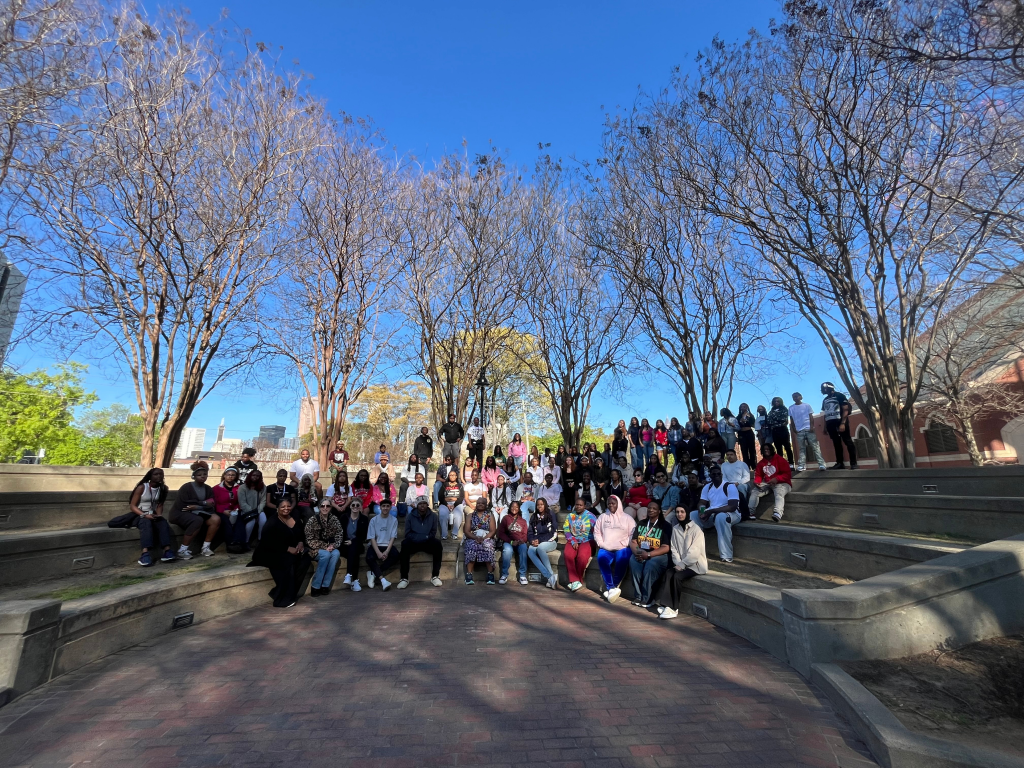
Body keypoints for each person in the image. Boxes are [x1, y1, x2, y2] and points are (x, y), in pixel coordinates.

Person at [247, 498, 308, 608]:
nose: (286, 509)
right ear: (277, 508)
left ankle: (281, 592)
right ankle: (282, 600)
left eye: (288, 506)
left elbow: (300, 534)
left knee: (305, 559)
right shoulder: (272, 522)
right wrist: (287, 548)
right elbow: (267, 542)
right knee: (289, 562)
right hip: (268, 552)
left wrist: (300, 542)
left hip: (289, 550)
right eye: (283, 507)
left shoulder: (295, 518)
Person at [653, 505, 708, 620]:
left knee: (677, 577)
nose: (679, 514)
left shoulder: (696, 530)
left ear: (687, 513)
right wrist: (678, 563)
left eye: (682, 512)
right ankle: (666, 605)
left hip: (695, 565)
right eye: (677, 512)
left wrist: (682, 565)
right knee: (669, 573)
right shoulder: (676, 528)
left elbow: (695, 552)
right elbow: (674, 549)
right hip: (681, 563)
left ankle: (674, 608)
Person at [691, 464, 741, 563]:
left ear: (721, 474)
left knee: (721, 517)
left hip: (732, 514)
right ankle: (696, 551)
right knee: (693, 515)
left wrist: (710, 511)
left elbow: (732, 506)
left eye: (718, 473)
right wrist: (702, 512)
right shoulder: (707, 487)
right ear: (710, 476)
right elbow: (702, 502)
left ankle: (726, 555)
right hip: (713, 513)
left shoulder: (729, 486)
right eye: (714, 474)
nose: (716, 475)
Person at [169, 461, 219, 559]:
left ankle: (205, 548)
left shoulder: (208, 489)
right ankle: (182, 550)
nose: (202, 476)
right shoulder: (187, 487)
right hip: (180, 513)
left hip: (199, 512)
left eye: (205, 474)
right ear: (194, 476)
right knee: (197, 520)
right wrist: (203, 503)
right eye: (199, 475)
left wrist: (198, 506)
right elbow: (183, 504)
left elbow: (211, 504)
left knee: (216, 519)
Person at [629, 500, 673, 608]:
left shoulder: (666, 526)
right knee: (633, 561)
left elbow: (666, 547)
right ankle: (638, 596)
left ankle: (648, 598)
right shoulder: (641, 523)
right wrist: (638, 553)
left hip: (659, 556)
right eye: (649, 508)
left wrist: (648, 555)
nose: (651, 510)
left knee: (650, 565)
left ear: (659, 511)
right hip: (641, 552)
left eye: (654, 508)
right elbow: (633, 541)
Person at [593, 495, 636, 603]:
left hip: (622, 547)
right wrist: (601, 543)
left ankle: (614, 586)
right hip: (606, 547)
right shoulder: (602, 517)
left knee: (622, 560)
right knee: (601, 558)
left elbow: (633, 534)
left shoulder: (628, 518)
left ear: (618, 504)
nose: (611, 505)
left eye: (613, 503)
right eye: (609, 503)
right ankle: (611, 588)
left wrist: (625, 543)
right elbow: (597, 532)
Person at [129, 469, 175, 566]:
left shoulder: (163, 488)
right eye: (156, 474)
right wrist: (144, 515)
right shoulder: (142, 487)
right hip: (139, 514)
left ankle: (167, 551)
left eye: (161, 474)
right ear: (150, 476)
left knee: (162, 522)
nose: (159, 476)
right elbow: (133, 506)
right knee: (146, 523)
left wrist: (158, 515)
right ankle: (145, 554)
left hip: (152, 513)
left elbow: (159, 505)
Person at [398, 500, 444, 589]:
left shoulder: (433, 516)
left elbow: (433, 532)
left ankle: (435, 576)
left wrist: (425, 538)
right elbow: (407, 533)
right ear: (417, 505)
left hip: (427, 541)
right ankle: (404, 578)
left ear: (427, 505)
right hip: (414, 542)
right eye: (420, 504)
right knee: (404, 544)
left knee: (438, 544)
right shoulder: (410, 516)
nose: (422, 505)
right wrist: (420, 537)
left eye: (424, 503)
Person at [305, 499, 342, 596]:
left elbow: (339, 534)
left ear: (330, 507)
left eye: (327, 506)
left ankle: (325, 585)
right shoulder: (312, 520)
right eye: (322, 506)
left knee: (336, 553)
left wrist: (333, 545)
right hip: (314, 548)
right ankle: (315, 586)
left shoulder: (334, 519)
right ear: (319, 507)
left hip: (330, 546)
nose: (325, 508)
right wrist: (325, 547)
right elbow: (309, 539)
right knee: (325, 555)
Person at [748, 443, 793, 522]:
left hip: (783, 483)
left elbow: (787, 474)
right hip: (768, 483)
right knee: (755, 491)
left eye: (768, 449)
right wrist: (757, 482)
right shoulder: (761, 463)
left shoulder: (780, 460)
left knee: (779, 492)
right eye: (764, 449)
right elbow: (758, 475)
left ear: (772, 450)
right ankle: (750, 513)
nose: (766, 451)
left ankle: (777, 513)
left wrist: (777, 479)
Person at [821, 382, 858, 470]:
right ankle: (839, 463)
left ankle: (853, 463)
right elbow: (825, 413)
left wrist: (843, 423)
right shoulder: (825, 400)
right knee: (836, 443)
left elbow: (845, 409)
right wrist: (825, 426)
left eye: (824, 388)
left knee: (848, 441)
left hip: (840, 422)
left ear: (829, 388)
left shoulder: (839, 396)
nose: (822, 390)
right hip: (830, 424)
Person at [562, 498, 597, 592]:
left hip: (587, 540)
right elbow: (566, 529)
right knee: (568, 554)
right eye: (577, 504)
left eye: (580, 505)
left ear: (585, 506)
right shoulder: (570, 515)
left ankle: (577, 580)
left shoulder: (591, 516)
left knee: (582, 557)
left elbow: (596, 531)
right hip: (573, 539)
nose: (578, 507)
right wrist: (573, 540)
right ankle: (575, 580)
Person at [365, 500, 399, 591]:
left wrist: (387, 551)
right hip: (376, 545)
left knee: (396, 556)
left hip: (387, 545)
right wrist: (379, 553)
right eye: (383, 506)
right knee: (369, 557)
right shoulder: (373, 520)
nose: (385, 508)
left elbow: (393, 537)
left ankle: (373, 572)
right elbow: (372, 538)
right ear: (380, 507)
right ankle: (382, 579)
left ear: (390, 507)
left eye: (387, 506)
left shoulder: (394, 520)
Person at [462, 497, 497, 585]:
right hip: (473, 537)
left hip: (486, 537)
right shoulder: (470, 515)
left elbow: (492, 531)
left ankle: (490, 574)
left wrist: (484, 538)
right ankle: (469, 575)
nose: (480, 505)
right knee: (471, 546)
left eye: (482, 503)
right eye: (478, 503)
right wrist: (475, 538)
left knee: (488, 546)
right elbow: (466, 531)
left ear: (486, 505)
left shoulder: (490, 515)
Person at [789, 392, 826, 472]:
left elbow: (810, 416)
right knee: (802, 448)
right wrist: (794, 429)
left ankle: (821, 464)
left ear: (800, 397)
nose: (795, 398)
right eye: (793, 397)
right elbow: (791, 419)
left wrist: (812, 426)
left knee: (815, 446)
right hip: (799, 430)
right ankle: (801, 465)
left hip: (808, 429)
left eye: (796, 396)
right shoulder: (791, 408)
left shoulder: (807, 405)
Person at [495, 500, 529, 585]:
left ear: (519, 508)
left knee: (524, 548)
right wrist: (510, 541)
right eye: (512, 507)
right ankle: (504, 574)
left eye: (516, 507)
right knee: (507, 550)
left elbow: (525, 534)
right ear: (510, 508)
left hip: (519, 542)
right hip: (508, 542)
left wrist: (522, 540)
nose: (514, 508)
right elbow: (500, 533)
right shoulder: (506, 518)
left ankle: (522, 575)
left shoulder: (523, 521)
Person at [214, 468, 248, 553]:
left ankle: (239, 542)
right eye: (228, 475)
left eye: (233, 475)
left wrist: (236, 509)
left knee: (240, 521)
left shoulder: (239, 488)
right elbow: (215, 503)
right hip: (221, 510)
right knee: (226, 522)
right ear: (224, 476)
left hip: (234, 510)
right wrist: (223, 511)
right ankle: (230, 544)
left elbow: (240, 501)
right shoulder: (216, 488)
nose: (230, 477)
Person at [339, 498, 370, 592]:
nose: (355, 507)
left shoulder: (364, 519)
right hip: (344, 545)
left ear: (361, 507)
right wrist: (346, 541)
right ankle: (355, 580)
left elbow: (363, 536)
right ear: (350, 506)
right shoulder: (344, 517)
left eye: (358, 505)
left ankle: (349, 575)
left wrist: (352, 541)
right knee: (354, 553)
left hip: (357, 544)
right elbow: (340, 532)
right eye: (353, 505)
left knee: (354, 547)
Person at [236, 469, 266, 552]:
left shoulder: (262, 487)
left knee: (263, 520)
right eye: (254, 475)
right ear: (250, 476)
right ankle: (246, 541)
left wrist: (258, 511)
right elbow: (242, 502)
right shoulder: (242, 487)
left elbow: (263, 501)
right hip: (247, 511)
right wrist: (252, 512)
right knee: (251, 521)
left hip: (259, 510)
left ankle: (260, 540)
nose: (255, 477)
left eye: (258, 476)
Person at [263, 469, 294, 538]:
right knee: (274, 516)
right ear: (276, 476)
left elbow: (293, 500)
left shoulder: (290, 488)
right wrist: (279, 509)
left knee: (295, 515)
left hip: (288, 508)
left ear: (286, 477)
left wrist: (291, 507)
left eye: (284, 476)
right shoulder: (270, 487)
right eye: (280, 476)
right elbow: (268, 503)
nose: (282, 478)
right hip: (274, 508)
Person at [438, 470, 465, 540]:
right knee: (442, 515)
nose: (452, 476)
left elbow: (461, 497)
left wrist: (454, 503)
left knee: (458, 515)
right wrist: (447, 503)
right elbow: (440, 496)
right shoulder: (444, 485)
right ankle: (444, 534)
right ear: (448, 476)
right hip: (445, 504)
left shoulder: (460, 486)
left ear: (456, 477)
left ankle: (454, 534)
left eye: (454, 475)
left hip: (457, 504)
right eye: (450, 475)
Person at [766, 397, 794, 464]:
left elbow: (783, 419)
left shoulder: (784, 409)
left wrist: (774, 419)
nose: (776, 402)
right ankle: (781, 464)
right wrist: (777, 420)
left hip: (783, 430)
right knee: (778, 448)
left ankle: (791, 463)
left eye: (778, 401)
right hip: (775, 431)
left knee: (787, 447)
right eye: (775, 401)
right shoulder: (771, 411)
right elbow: (769, 421)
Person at [736, 403, 758, 469]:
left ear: (747, 407)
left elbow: (753, 424)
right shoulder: (738, 416)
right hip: (742, 434)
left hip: (749, 433)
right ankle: (746, 466)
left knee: (752, 449)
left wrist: (747, 419)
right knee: (744, 450)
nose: (743, 408)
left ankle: (754, 465)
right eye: (742, 407)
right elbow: (737, 426)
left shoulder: (750, 415)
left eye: (745, 406)